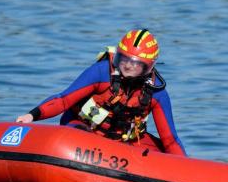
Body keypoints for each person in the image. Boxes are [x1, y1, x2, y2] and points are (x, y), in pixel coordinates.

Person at [16, 29, 186, 156]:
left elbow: (170, 139)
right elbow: (63, 100)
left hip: (124, 142)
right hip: (83, 130)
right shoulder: (101, 72)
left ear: (148, 67)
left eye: (135, 63)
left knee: (163, 152)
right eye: (124, 59)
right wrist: (31, 116)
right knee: (76, 137)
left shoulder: (156, 92)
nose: (127, 66)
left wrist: (187, 170)